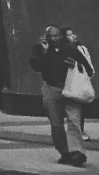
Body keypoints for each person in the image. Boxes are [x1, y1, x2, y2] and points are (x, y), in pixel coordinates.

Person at [30, 25, 95, 166]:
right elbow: (36, 66)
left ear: (62, 36)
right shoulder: (40, 49)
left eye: (56, 36)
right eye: (50, 36)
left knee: (74, 122)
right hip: (51, 89)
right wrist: (44, 51)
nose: (53, 39)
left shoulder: (70, 49)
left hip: (70, 89)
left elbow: (88, 70)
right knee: (56, 124)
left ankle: (77, 152)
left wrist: (75, 65)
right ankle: (65, 153)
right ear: (46, 37)